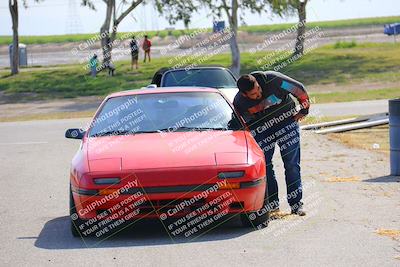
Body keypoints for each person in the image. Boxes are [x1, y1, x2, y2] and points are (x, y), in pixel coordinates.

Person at [233, 71, 310, 216]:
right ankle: (272, 206)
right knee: (265, 166)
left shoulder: (275, 80)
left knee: (292, 164)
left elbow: (299, 90)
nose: (258, 94)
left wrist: (304, 110)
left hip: (287, 122)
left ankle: (296, 205)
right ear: (244, 95)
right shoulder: (240, 102)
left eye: (258, 89)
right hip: (262, 129)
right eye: (254, 95)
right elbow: (242, 122)